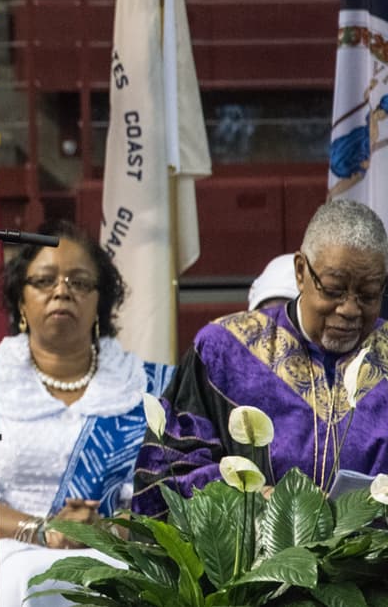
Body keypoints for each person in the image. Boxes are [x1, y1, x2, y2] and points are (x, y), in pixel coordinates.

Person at [0, 221, 173, 607]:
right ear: (21, 302)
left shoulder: (144, 387)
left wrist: (104, 530)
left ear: (99, 303)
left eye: (79, 282)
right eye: (44, 281)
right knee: (27, 579)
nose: (62, 291)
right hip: (5, 552)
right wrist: (45, 531)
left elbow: (170, 497)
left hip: (117, 547)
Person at [133, 200, 388, 517]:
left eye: (369, 294)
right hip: (245, 562)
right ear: (300, 271)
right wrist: (251, 499)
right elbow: (168, 470)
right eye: (334, 290)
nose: (350, 310)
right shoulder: (224, 350)